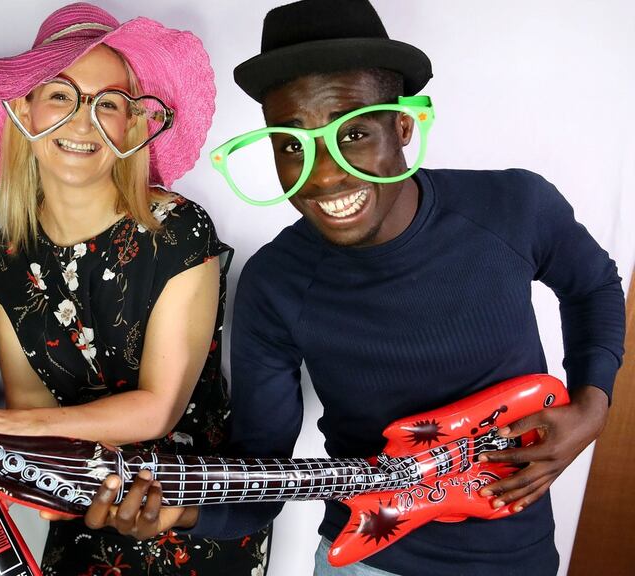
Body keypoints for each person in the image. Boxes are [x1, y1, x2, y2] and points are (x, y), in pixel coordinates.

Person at [83, 1, 626, 575]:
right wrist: (180, 514)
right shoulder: (274, 283)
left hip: (517, 558)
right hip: (365, 558)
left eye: (355, 132)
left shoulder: (514, 207)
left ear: (403, 127)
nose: (323, 174)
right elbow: (261, 476)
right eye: (292, 144)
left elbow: (592, 285)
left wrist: (593, 405)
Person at [0, 3, 271, 575]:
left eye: (108, 104)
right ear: (23, 109)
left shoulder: (176, 230)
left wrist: (2, 430)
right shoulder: (0, 262)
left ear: (133, 124)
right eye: (60, 95)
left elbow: (157, 411)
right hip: (84, 516)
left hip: (191, 513)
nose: (82, 121)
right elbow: (31, 408)